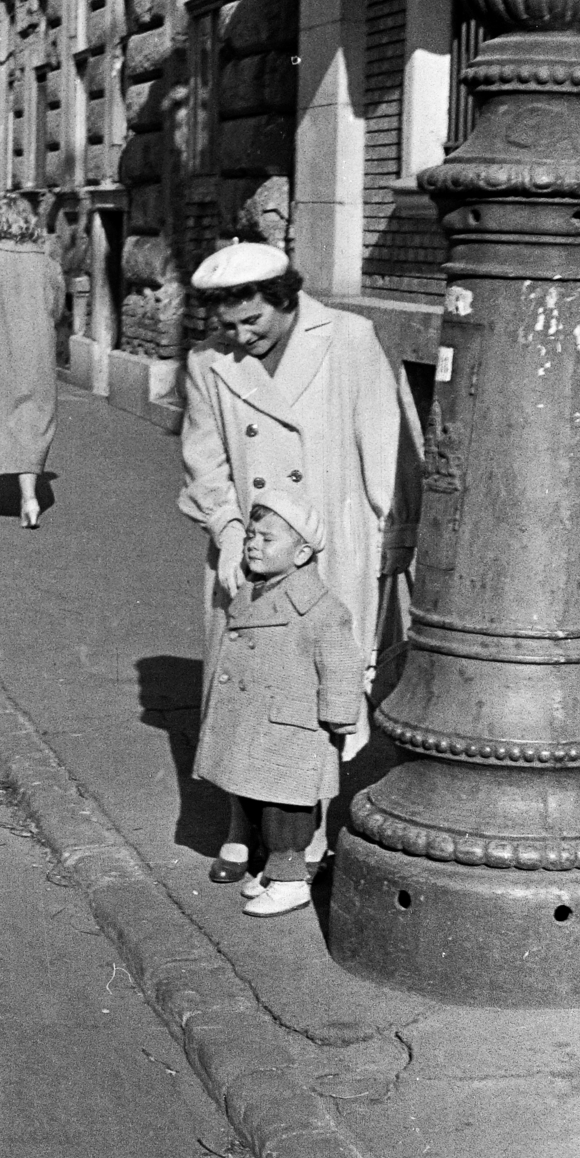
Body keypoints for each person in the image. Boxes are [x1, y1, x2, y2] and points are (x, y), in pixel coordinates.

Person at [179, 240, 420, 884]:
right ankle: (239, 821)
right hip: (250, 547)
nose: (240, 337)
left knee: (313, 687)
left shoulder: (349, 337)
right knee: (239, 685)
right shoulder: (207, 362)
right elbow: (205, 458)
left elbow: (388, 443)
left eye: (253, 321)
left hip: (326, 540)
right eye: (227, 325)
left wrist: (395, 530)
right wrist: (228, 528)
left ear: (284, 299)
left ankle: (307, 825)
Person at [193, 494, 366, 916]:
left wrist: (340, 717)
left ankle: (291, 881)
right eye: (251, 535)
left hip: (292, 727)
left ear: (302, 553)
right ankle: (273, 872)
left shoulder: (321, 610)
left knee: (285, 814)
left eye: (267, 539)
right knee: (255, 799)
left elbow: (342, 664)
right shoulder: (260, 590)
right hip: (262, 723)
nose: (252, 544)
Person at [0, 196, 65, 529]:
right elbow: (57, 312)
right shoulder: (48, 265)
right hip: (37, 355)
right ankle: (30, 501)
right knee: (31, 421)